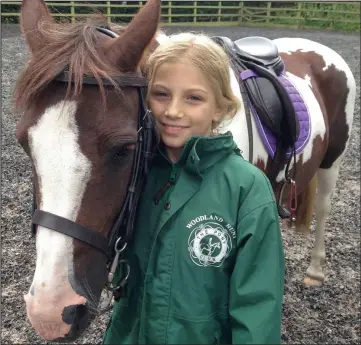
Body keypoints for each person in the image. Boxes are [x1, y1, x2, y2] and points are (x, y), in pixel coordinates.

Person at [103, 32, 285, 345]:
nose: (173, 111)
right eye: (161, 94)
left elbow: (258, 303)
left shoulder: (246, 188)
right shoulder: (135, 176)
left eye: (194, 98)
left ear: (220, 107)